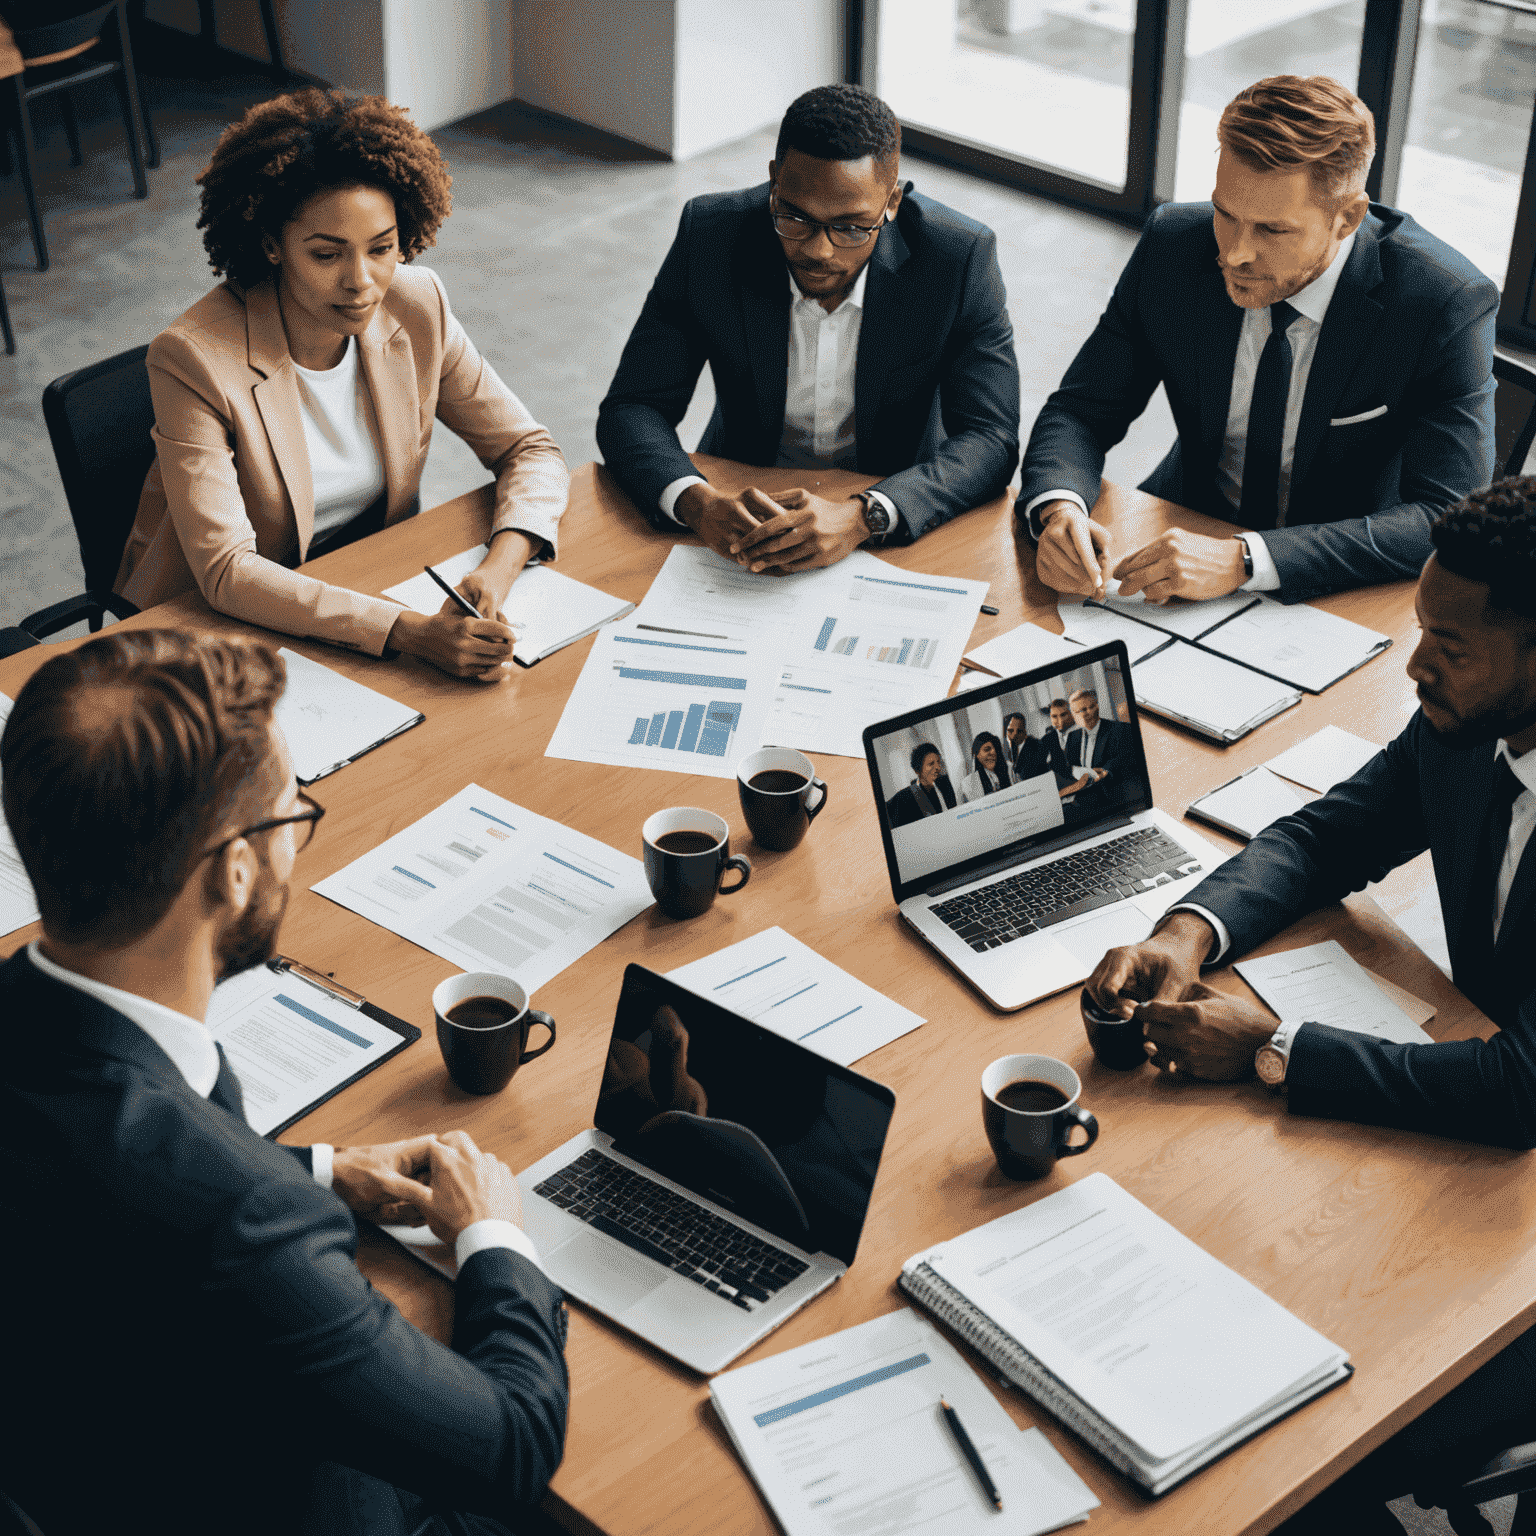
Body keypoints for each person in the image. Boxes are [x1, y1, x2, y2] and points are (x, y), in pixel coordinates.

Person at [0, 631, 569, 1536]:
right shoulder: (242, 1223)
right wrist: (495, 1236)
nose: (296, 836)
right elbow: (513, 1445)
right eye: (290, 814)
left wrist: (322, 1171)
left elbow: (108, 1160)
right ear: (234, 868)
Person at [1085, 480, 1536, 1532]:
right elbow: (1329, 834)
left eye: (1451, 647)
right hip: (1466, 1161)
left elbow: (1523, 1088)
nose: (1415, 663)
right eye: (1421, 628)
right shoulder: (1465, 724)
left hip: (1519, 1264)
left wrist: (1275, 1050)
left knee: (1290, 1470)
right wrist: (1183, 935)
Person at [115, 89, 569, 681]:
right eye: (327, 255)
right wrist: (407, 632)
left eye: (382, 249)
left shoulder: (417, 303)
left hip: (362, 583)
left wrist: (497, 570)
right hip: (212, 631)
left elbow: (526, 448)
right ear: (273, 246)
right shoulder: (193, 360)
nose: (362, 282)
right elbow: (227, 569)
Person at [1020, 74, 1495, 607]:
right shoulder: (1174, 246)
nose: (1236, 254)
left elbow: (1444, 516)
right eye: (1225, 213)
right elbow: (1084, 408)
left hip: (1345, 579)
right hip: (1183, 527)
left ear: (1348, 218)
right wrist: (1059, 510)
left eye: (1272, 231)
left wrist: (1247, 559)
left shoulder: (1440, 301)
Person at [596, 83, 1019, 575]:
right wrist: (698, 504)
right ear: (774, 180)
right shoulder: (710, 235)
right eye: (794, 217)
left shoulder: (957, 259)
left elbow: (991, 436)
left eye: (850, 228)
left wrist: (867, 515)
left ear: (893, 201)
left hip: (892, 513)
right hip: (741, 497)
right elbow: (633, 405)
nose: (819, 251)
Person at [1063, 688, 1135, 805]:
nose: (1085, 714)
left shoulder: (1121, 730)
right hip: (1081, 800)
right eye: (1079, 711)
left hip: (1113, 798)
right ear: (1073, 715)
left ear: (1097, 706)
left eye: (1089, 708)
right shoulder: (1073, 737)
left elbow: (1126, 759)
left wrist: (1107, 771)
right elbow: (1066, 766)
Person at [885, 743, 957, 827]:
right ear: (917, 770)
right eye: (931, 764)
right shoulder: (903, 798)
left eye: (938, 762)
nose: (938, 767)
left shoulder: (945, 786)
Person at [959, 731, 1014, 803]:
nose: (993, 753)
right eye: (987, 749)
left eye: (995, 750)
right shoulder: (969, 783)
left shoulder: (1010, 769)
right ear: (977, 755)